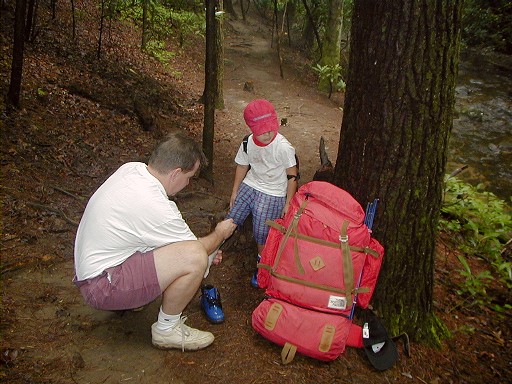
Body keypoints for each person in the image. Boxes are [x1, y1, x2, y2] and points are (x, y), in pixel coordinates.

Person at [73, 132, 236, 351]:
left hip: (94, 272)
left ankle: (134, 298)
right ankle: (166, 330)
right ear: (175, 173)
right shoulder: (155, 205)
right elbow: (194, 250)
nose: (187, 184)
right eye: (189, 177)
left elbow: (170, 243)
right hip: (102, 286)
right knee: (196, 257)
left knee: (193, 253)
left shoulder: (132, 170)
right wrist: (219, 234)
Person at [226, 99, 298, 287]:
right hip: (251, 183)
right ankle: (214, 250)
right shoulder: (247, 142)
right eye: (261, 130)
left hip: (273, 191)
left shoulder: (283, 147)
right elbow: (242, 165)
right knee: (232, 217)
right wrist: (235, 191)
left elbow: (292, 176)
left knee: (261, 232)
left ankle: (262, 266)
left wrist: (289, 202)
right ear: (252, 128)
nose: (267, 134)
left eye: (270, 129)